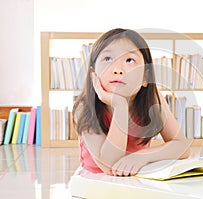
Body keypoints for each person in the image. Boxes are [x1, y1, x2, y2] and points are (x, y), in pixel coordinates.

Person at [72, 28, 191, 177]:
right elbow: (109, 166)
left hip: (137, 176)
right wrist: (120, 106)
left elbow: (182, 146)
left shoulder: (153, 99)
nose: (117, 69)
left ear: (145, 77)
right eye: (107, 59)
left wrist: (144, 156)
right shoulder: (84, 107)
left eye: (129, 60)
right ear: (93, 74)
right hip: (95, 179)